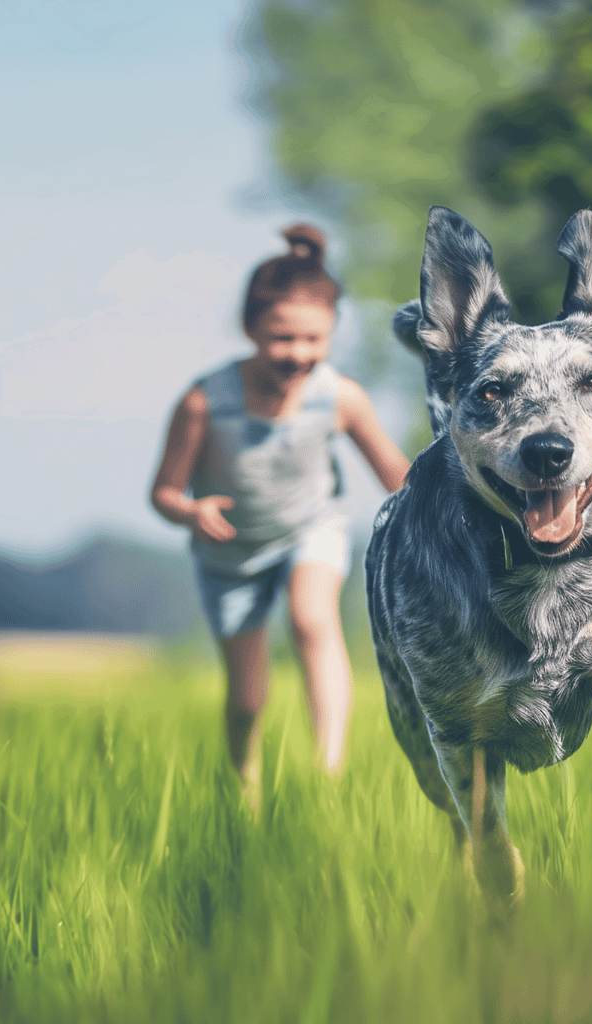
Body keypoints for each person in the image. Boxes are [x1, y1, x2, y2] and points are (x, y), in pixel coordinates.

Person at [150, 225, 410, 802]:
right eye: (281, 338)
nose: (298, 354)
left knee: (311, 619)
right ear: (249, 329)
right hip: (230, 553)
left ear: (332, 333)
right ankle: (241, 781)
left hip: (311, 529)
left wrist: (461, 498)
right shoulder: (203, 402)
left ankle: (330, 768)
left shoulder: (339, 397)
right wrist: (189, 511)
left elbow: (397, 474)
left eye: (313, 340)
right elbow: (163, 492)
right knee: (247, 695)